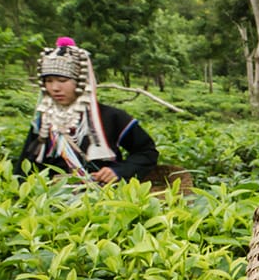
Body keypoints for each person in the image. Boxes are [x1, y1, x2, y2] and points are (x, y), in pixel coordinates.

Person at [15, 38, 158, 185]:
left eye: (62, 80)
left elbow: (146, 153)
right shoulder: (44, 121)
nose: (55, 88)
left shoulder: (111, 117)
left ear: (81, 82)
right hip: (53, 197)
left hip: (104, 196)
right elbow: (25, 167)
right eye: (49, 81)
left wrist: (118, 171)